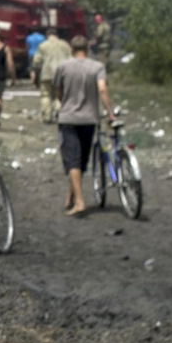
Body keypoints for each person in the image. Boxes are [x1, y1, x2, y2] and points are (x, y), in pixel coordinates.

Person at [51, 34, 113, 216]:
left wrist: (66, 104)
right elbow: (102, 89)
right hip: (90, 119)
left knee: (72, 160)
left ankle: (80, 202)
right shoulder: (97, 67)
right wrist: (109, 112)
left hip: (69, 119)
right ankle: (71, 195)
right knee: (81, 159)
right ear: (87, 50)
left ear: (71, 49)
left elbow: (58, 91)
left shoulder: (63, 67)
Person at [33, 26, 72, 123]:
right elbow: (71, 60)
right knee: (60, 95)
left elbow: (37, 62)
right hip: (62, 74)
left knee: (46, 96)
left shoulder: (43, 45)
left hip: (47, 73)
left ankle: (47, 116)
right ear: (57, 35)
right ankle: (60, 113)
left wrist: (36, 74)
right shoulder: (65, 45)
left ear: (47, 35)